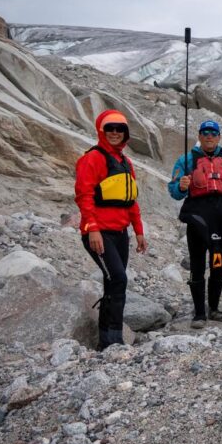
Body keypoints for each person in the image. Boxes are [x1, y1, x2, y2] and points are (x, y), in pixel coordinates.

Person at [75, 109, 148, 350]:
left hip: (120, 233)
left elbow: (131, 200)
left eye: (120, 129)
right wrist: (92, 229)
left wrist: (138, 231)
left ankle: (106, 340)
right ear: (101, 131)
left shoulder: (125, 162)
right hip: (99, 233)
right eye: (110, 128)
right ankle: (113, 340)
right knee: (117, 278)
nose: (115, 133)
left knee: (113, 283)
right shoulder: (93, 158)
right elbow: (84, 196)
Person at [168, 120, 222, 328]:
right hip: (198, 215)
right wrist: (182, 186)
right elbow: (174, 191)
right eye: (205, 133)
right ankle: (199, 313)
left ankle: (214, 308)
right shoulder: (186, 160)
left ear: (219, 137)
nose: (209, 136)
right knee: (197, 263)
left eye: (213, 133)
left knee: (218, 260)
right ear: (200, 136)